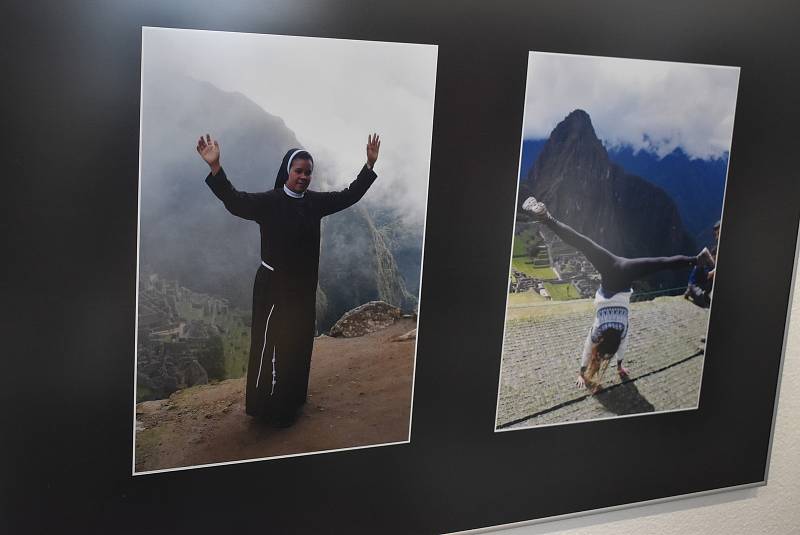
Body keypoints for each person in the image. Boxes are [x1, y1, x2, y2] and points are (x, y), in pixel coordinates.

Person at [197, 133, 381, 426]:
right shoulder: (269, 202)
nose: (304, 177)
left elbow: (349, 195)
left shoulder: (315, 203)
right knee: (272, 345)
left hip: (303, 290)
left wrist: (368, 166)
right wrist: (216, 167)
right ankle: (266, 406)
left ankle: (291, 400)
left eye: (308, 172)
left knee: (297, 345)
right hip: (273, 289)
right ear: (287, 171)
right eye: (299, 171)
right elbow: (234, 200)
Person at [521, 196, 709, 393]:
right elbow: (588, 350)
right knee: (657, 261)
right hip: (611, 274)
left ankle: (697, 259)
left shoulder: (623, 330)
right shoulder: (597, 331)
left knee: (656, 262)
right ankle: (696, 259)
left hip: (623, 271)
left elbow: (622, 346)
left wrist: (619, 365)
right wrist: (582, 372)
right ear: (601, 344)